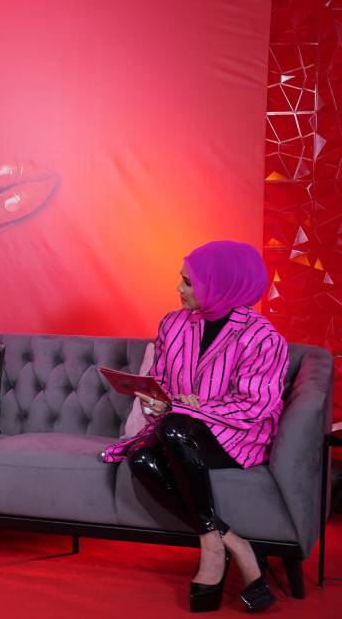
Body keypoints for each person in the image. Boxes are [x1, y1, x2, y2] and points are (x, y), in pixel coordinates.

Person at [101, 240, 287, 613]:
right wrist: (156, 400)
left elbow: (258, 404)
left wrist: (200, 408)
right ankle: (229, 542)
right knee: (140, 458)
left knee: (175, 429)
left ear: (222, 284)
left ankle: (213, 555)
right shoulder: (173, 323)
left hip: (237, 434)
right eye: (181, 280)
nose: (179, 289)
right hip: (181, 428)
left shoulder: (263, 337)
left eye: (188, 282)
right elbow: (163, 380)